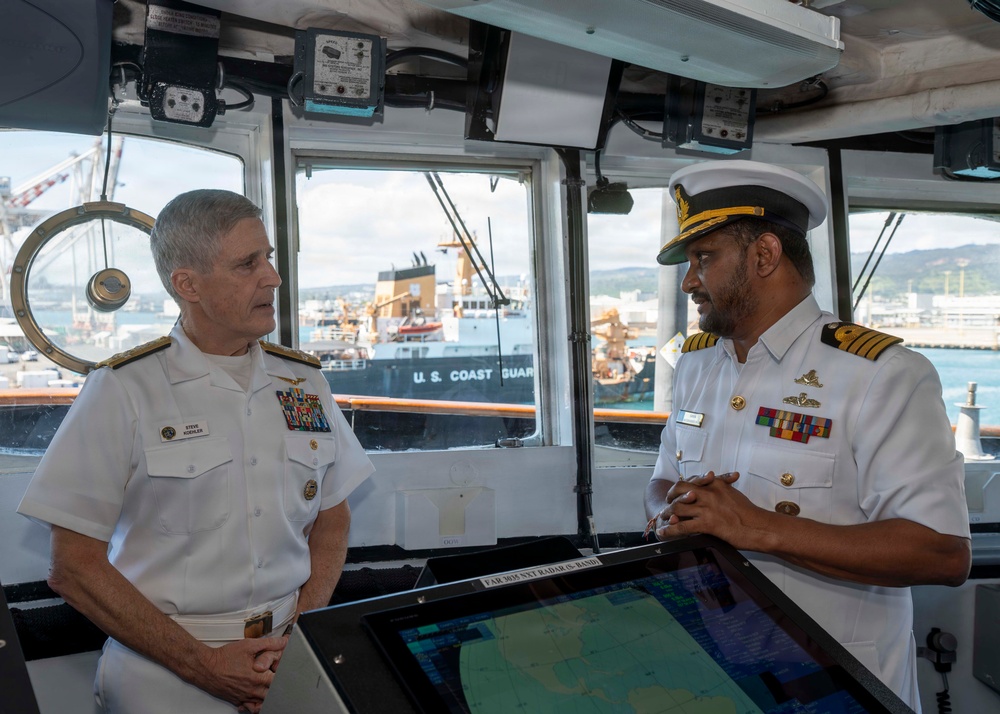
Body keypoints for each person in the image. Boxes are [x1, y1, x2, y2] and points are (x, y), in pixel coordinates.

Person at [18, 189, 375, 713]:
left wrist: (298, 637)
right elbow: (73, 565)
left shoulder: (302, 382)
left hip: (286, 656)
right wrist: (204, 666)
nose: (272, 277)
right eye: (247, 264)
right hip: (166, 673)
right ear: (188, 284)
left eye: (268, 257)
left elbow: (332, 519)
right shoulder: (124, 389)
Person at [643, 160, 970, 711]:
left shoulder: (881, 374)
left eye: (704, 258)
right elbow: (662, 482)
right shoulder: (696, 363)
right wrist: (670, 513)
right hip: (717, 674)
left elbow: (942, 554)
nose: (689, 281)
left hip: (837, 684)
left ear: (765, 255)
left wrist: (757, 528)